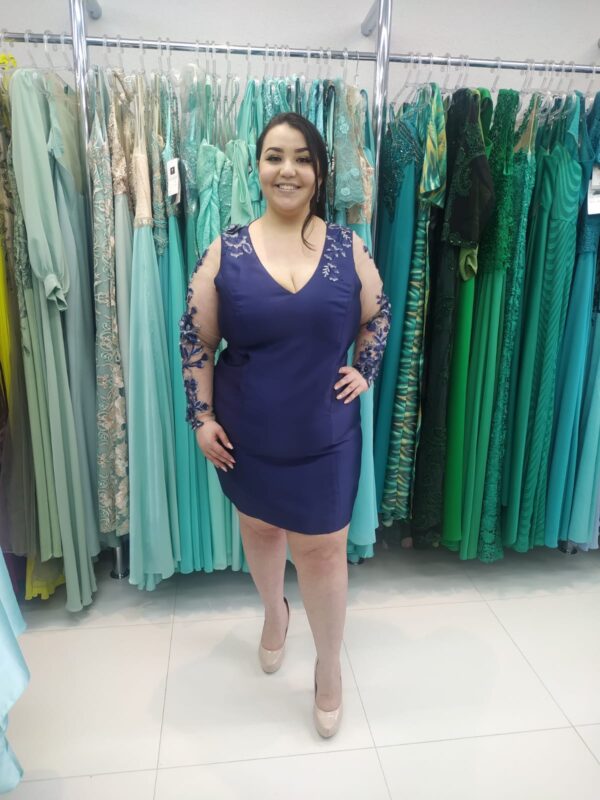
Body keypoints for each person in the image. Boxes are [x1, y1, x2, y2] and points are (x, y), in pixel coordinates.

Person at [180, 112, 390, 738]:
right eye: (274, 157)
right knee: (261, 529)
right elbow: (197, 338)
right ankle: (275, 612)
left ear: (319, 171)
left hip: (326, 436)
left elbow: (377, 316)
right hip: (248, 436)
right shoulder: (225, 250)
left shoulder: (349, 247)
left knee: (324, 552)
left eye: (301, 157)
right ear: (258, 167)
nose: (287, 170)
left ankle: (328, 665)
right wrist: (201, 416)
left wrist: (366, 371)